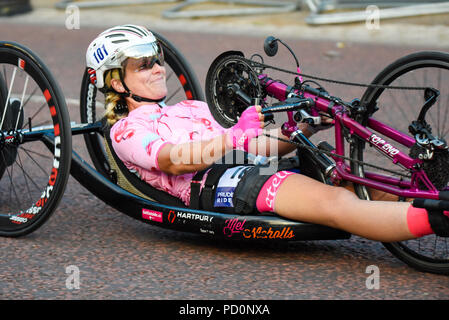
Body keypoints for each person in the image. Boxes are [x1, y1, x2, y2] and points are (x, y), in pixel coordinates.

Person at [85, 24, 449, 241]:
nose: (157, 69)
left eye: (157, 60)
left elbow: (257, 145)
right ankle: (437, 218)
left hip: (248, 167)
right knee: (335, 205)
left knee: (357, 183)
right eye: (144, 64)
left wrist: (302, 126)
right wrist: (233, 137)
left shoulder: (189, 108)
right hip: (217, 185)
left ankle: (428, 200)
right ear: (115, 80)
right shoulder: (127, 131)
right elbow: (172, 161)